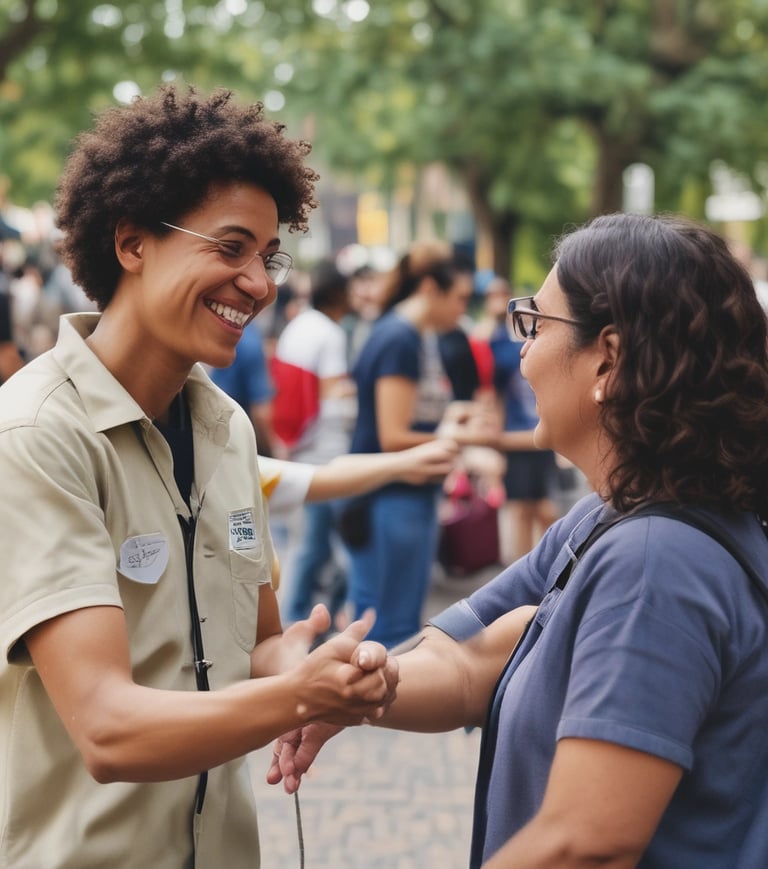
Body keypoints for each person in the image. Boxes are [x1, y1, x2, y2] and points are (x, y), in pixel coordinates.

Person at [270, 212, 768, 868]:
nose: (524, 352)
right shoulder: (608, 517)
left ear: (608, 358)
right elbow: (470, 657)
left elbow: (583, 843)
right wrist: (362, 688)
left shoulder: (656, 560)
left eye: (536, 324)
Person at [0, 84, 396, 868]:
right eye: (230, 246)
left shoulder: (225, 428)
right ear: (132, 242)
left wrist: (323, 668)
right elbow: (107, 728)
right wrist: (298, 694)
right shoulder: (39, 433)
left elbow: (261, 642)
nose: (260, 281)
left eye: (268, 254)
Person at [343, 240, 500, 647]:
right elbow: (393, 436)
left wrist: (453, 421)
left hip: (392, 497)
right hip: (391, 498)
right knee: (389, 628)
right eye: (460, 298)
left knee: (383, 619)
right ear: (431, 288)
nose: (463, 309)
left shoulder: (409, 333)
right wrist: (463, 438)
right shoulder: (401, 338)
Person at [270, 260, 357, 625]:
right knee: (321, 545)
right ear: (339, 293)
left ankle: (304, 620)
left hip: (300, 446)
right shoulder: (331, 333)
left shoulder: (298, 326)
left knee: (311, 543)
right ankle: (296, 623)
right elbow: (333, 393)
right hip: (326, 451)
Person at [210, 319, 277, 456]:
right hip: (236, 442)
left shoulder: (228, 330)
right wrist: (274, 452)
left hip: (214, 431)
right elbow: (261, 412)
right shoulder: (249, 341)